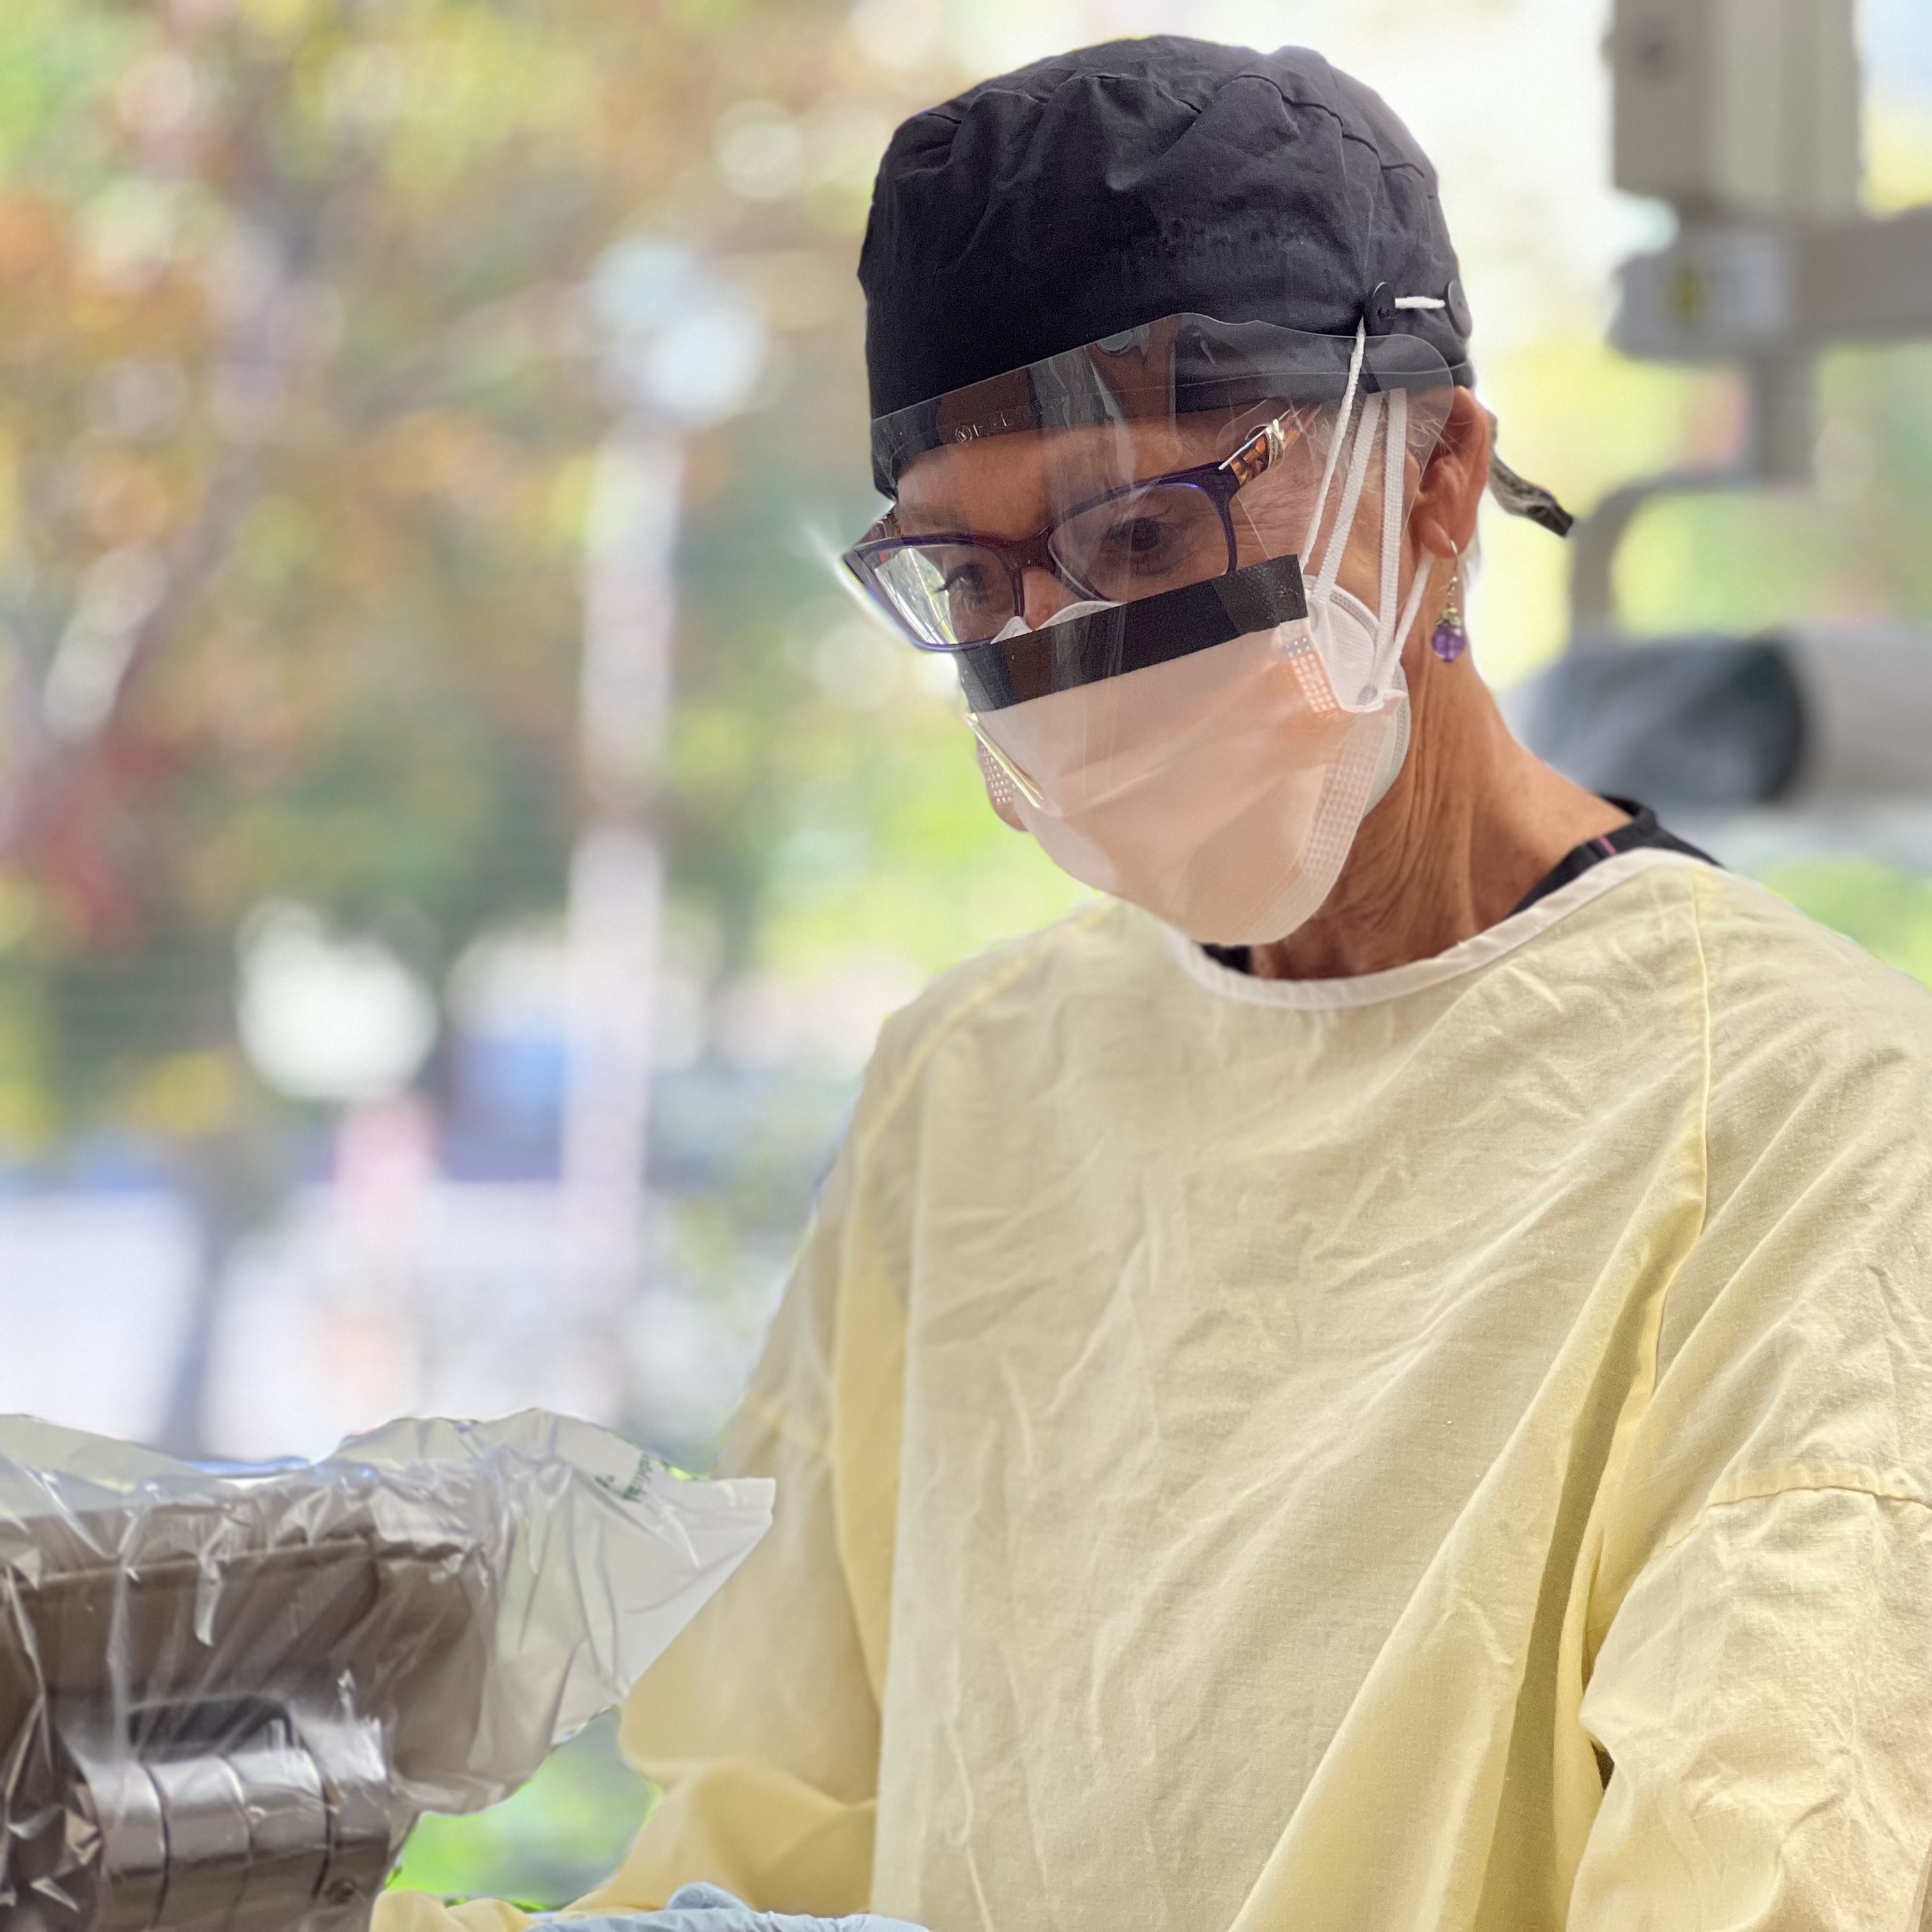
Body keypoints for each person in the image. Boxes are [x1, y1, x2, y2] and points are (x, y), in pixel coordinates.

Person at [383, 36, 1932, 1932]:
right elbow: (765, 1846)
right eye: (974, 578)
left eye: (1139, 532)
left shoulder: (1805, 1121)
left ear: (1435, 481)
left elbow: (1779, 1873)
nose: (1068, 649)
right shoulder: (967, 1099)